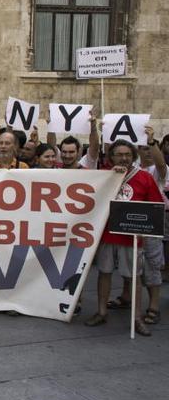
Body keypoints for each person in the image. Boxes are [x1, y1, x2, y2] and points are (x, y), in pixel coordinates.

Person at [84, 140, 163, 336]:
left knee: (134, 277)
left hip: (132, 237)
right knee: (104, 273)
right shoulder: (104, 176)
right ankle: (101, 311)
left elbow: (155, 205)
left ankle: (136, 318)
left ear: (133, 156)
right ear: (111, 157)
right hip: (108, 234)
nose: (124, 158)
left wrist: (143, 227)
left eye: (127, 154)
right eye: (119, 154)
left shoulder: (144, 177)